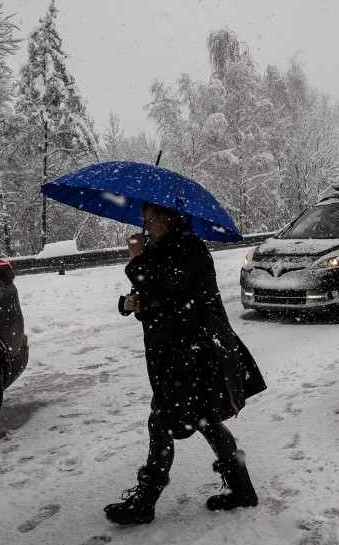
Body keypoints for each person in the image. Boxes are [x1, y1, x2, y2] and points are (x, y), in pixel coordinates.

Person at [104, 201, 266, 525]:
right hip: (178, 351)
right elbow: (159, 300)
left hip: (190, 353)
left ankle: (145, 502)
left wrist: (137, 261)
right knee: (205, 419)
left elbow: (169, 294)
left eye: (149, 220)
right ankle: (242, 489)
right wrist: (131, 303)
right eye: (144, 220)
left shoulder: (189, 248)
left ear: (167, 218)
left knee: (161, 421)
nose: (145, 227)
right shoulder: (165, 250)